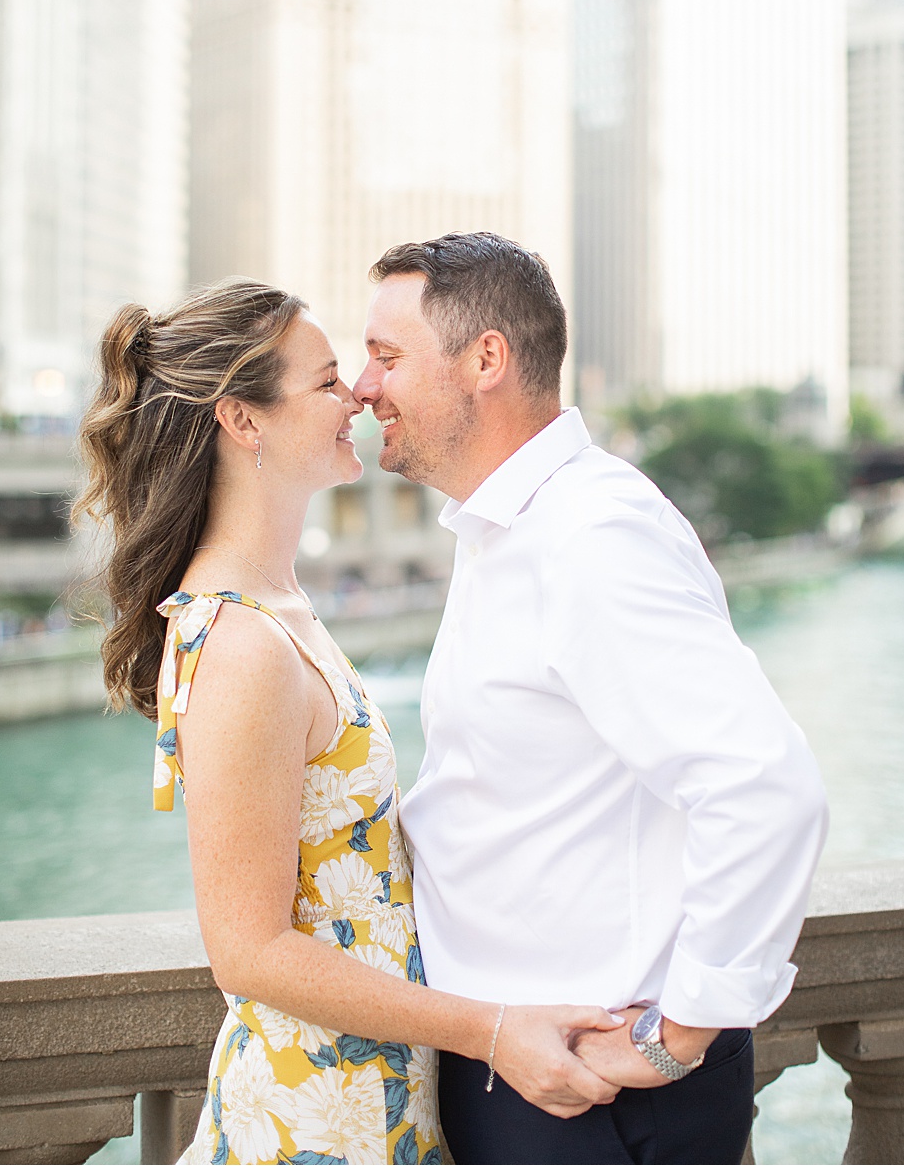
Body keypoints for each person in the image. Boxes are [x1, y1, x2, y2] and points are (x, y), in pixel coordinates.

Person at [78, 279, 627, 1165]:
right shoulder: (244, 644)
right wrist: (490, 1029)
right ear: (242, 421)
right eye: (327, 381)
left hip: (365, 1098)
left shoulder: (280, 606)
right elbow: (249, 952)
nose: (359, 396)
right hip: (311, 1122)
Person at [352, 232, 828, 1163]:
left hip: (589, 1100)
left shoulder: (589, 538)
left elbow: (765, 786)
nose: (365, 388)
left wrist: (677, 1036)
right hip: (523, 1071)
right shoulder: (508, 529)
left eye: (386, 356)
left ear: (486, 359)